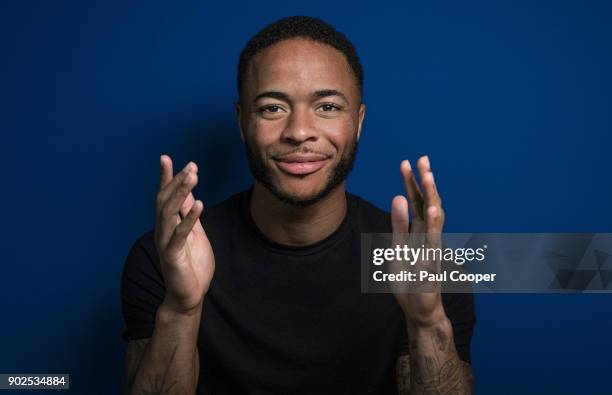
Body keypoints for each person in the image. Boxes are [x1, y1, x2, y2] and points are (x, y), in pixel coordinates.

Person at [121, 16, 476, 395]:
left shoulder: (429, 262)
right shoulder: (167, 258)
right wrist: (180, 310)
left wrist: (426, 322)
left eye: (327, 107)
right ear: (243, 123)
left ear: (358, 122)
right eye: (273, 108)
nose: (299, 131)